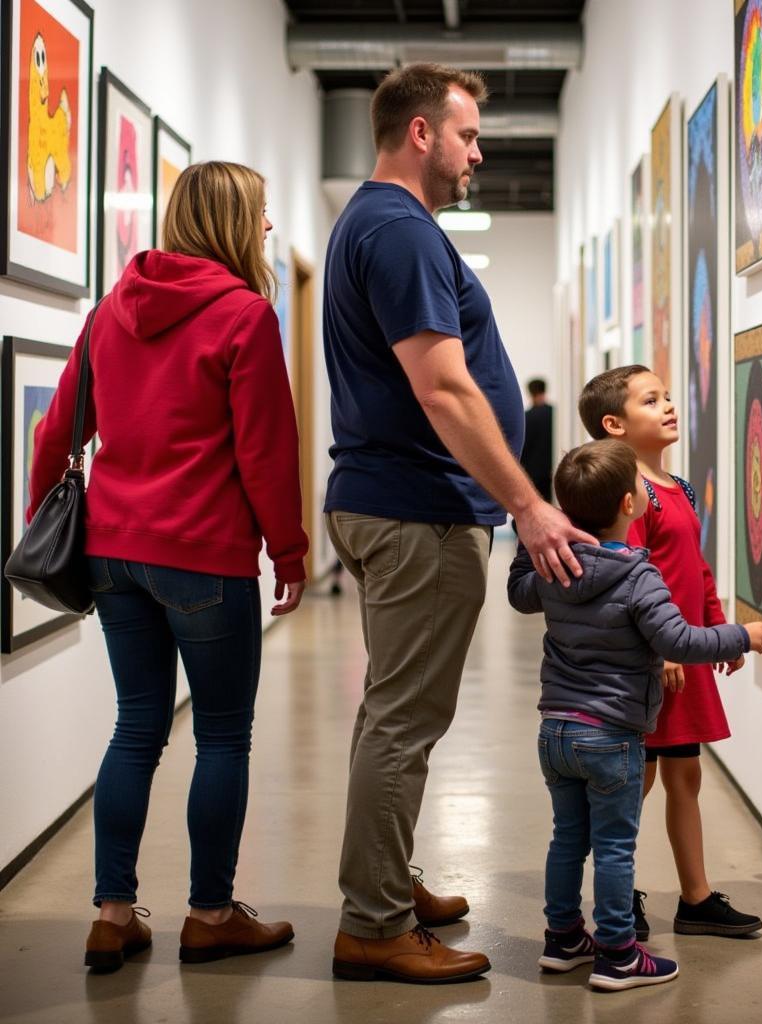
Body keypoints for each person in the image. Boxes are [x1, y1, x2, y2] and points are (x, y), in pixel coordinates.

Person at [322, 62, 592, 984]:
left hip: (395, 504)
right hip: (419, 511)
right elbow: (443, 387)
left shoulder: (382, 224)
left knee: (390, 714)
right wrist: (528, 505)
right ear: (423, 133)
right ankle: (373, 925)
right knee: (404, 720)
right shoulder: (398, 230)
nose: (480, 152)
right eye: (469, 135)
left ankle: (384, 882)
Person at [28, 161, 308, 972]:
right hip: (205, 559)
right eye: (258, 212)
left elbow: (57, 432)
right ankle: (211, 914)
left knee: (136, 727)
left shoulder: (111, 309)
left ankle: (113, 915)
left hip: (113, 552)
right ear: (228, 221)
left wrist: (43, 521)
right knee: (223, 736)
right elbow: (265, 449)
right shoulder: (244, 316)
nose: (265, 227)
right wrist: (286, 549)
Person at [507, 440, 762, 991]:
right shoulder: (638, 576)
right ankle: (618, 954)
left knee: (567, 839)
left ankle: (562, 940)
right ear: (631, 504)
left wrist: (529, 527)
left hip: (555, 729)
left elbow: (517, 593)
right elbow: (677, 638)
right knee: (613, 847)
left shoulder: (552, 567)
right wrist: (740, 636)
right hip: (610, 734)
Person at [578, 365, 762, 940]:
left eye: (667, 396)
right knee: (637, 781)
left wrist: (717, 628)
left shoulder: (677, 488)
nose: (668, 406)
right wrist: (661, 652)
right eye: (650, 400)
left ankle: (697, 897)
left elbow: (696, 568)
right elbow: (629, 581)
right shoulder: (628, 497)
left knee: (686, 775)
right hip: (653, 665)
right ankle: (619, 895)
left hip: (686, 658)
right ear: (614, 425)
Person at [520, 377, 554, 501]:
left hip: (531, 473)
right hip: (553, 470)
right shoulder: (555, 413)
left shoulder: (525, 418)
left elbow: (522, 447)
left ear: (530, 392)